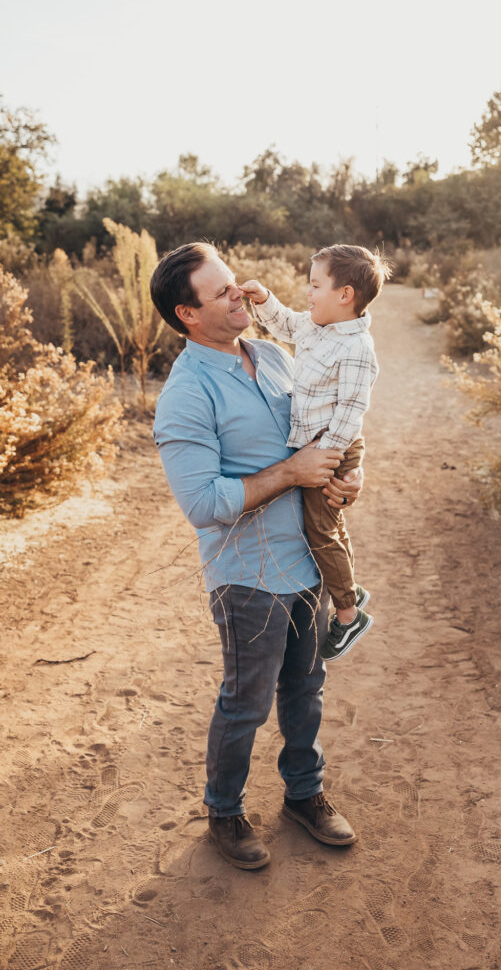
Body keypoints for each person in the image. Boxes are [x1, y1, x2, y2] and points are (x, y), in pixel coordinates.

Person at [150, 242, 362, 871]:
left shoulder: (272, 355)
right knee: (247, 699)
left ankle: (304, 794)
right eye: (220, 293)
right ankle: (224, 810)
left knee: (307, 687)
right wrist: (292, 472)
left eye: (233, 283)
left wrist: (347, 480)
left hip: (307, 565)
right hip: (247, 575)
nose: (239, 294)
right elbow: (203, 502)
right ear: (188, 315)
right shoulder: (185, 394)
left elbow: (328, 431)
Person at [241, 244, 388, 662]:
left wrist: (326, 456)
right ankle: (351, 587)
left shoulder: (356, 348)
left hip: (332, 445)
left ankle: (346, 615)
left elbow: (352, 410)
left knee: (319, 528)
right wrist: (264, 299)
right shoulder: (316, 326)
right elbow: (285, 324)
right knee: (331, 522)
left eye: (315, 285)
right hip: (319, 443)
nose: (308, 293)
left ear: (345, 295)